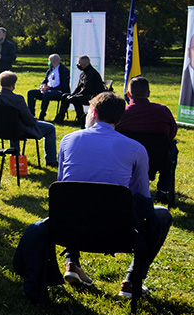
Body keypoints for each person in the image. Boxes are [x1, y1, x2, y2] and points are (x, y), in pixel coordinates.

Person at [19, 92, 172, 300]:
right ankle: (132, 279)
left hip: (68, 229)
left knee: (76, 200)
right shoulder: (136, 149)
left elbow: (64, 187)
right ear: (120, 118)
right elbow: (142, 197)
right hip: (118, 233)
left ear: (93, 112)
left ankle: (72, 261)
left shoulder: (68, 140)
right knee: (162, 215)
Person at [116, 76, 178, 202]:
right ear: (148, 93)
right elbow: (172, 133)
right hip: (158, 159)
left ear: (128, 94)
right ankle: (162, 190)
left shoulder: (121, 114)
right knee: (172, 150)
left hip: (129, 160)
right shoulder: (163, 111)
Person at [0, 71, 59, 166]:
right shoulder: (17, 99)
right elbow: (28, 120)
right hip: (18, 129)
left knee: (12, 123)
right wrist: (34, 119)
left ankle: (15, 157)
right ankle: (51, 161)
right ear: (13, 84)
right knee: (50, 128)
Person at [55, 55, 104, 127]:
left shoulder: (91, 73)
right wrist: (71, 95)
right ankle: (59, 118)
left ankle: (80, 119)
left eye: (79, 64)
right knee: (65, 96)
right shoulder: (83, 73)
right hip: (85, 94)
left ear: (84, 65)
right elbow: (78, 87)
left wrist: (74, 96)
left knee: (76, 99)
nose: (78, 65)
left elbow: (87, 89)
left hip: (93, 96)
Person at [27, 53, 69, 120]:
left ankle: (42, 115)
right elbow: (44, 81)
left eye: (49, 61)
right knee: (31, 93)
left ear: (54, 61)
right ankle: (31, 114)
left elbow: (64, 85)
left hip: (58, 91)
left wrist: (50, 88)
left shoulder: (64, 70)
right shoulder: (50, 70)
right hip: (47, 90)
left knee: (47, 94)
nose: (49, 63)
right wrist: (42, 87)